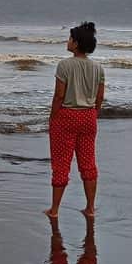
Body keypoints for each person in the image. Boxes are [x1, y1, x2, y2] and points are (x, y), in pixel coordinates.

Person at [45, 21, 104, 219]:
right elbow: (99, 98)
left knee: (61, 163)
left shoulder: (64, 65)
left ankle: (54, 210)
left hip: (67, 115)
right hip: (88, 116)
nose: (68, 41)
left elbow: (59, 95)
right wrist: (93, 114)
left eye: (70, 38)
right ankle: (90, 208)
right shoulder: (98, 68)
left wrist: (52, 117)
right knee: (88, 163)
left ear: (76, 44)